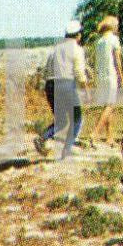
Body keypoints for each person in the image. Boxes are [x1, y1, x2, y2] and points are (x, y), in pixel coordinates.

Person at [35, 20, 91, 159]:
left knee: (61, 121)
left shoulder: (56, 49)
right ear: (78, 35)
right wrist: (86, 90)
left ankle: (43, 138)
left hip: (50, 85)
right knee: (77, 119)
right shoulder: (77, 50)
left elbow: (46, 70)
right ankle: (67, 149)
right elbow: (79, 73)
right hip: (65, 85)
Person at [87, 15, 123, 146]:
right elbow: (117, 60)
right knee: (110, 106)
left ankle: (110, 137)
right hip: (110, 75)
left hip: (100, 76)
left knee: (107, 106)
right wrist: (121, 76)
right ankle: (95, 133)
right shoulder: (114, 40)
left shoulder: (99, 41)